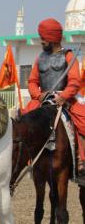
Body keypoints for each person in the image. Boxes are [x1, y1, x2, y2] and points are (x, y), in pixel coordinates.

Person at [24, 18, 85, 177]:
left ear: (51, 38)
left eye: (43, 38)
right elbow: (32, 81)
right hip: (43, 100)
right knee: (23, 120)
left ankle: (81, 159)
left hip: (65, 100)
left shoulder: (69, 56)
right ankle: (24, 158)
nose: (41, 41)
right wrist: (38, 95)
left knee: (83, 121)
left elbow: (74, 82)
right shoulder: (40, 58)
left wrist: (63, 96)